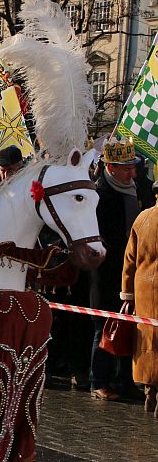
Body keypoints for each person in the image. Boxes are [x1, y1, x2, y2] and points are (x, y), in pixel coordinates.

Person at [89, 137, 142, 401]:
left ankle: (125, 380)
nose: (132, 172)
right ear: (110, 168)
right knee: (104, 328)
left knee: (129, 328)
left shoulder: (134, 190)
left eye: (132, 167)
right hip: (108, 273)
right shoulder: (100, 196)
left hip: (131, 273)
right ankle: (98, 381)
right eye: (126, 168)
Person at [120, 181, 158, 416]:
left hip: (144, 292)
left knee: (147, 344)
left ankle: (149, 393)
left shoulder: (143, 218)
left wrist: (128, 295)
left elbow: (129, 261)